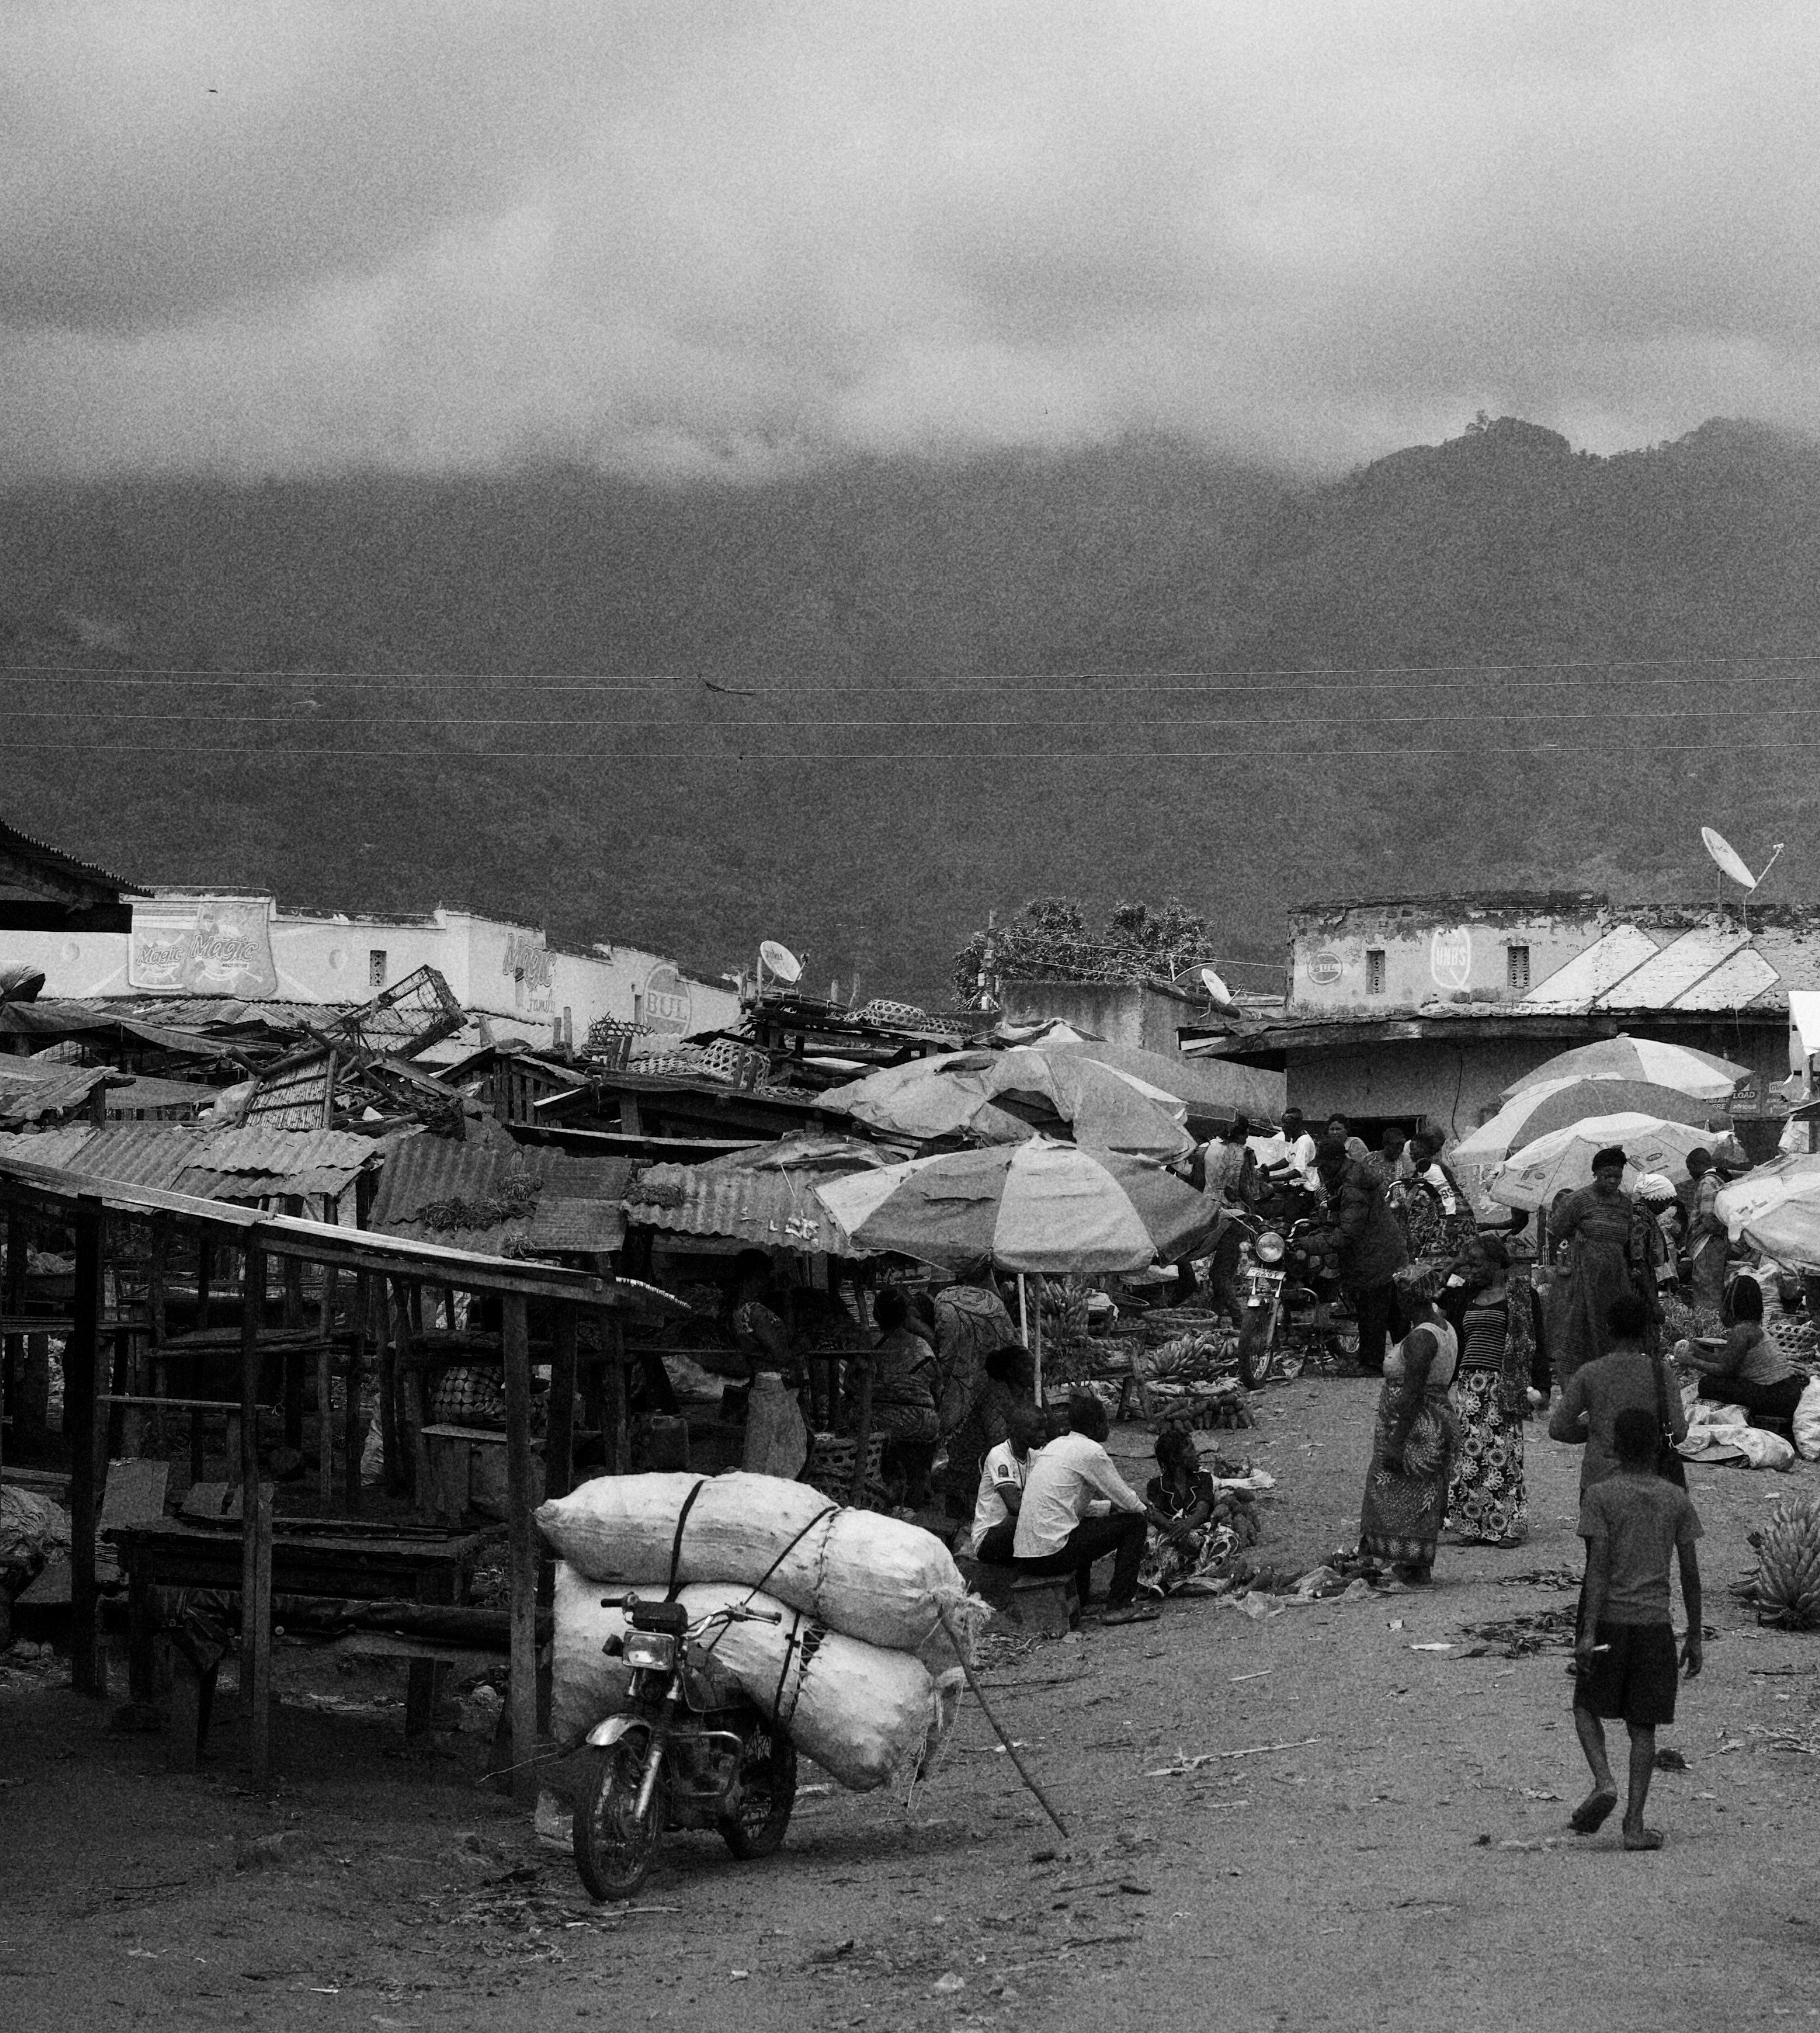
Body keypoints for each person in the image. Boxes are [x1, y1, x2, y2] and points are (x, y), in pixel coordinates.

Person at [1569, 1405, 1703, 1850]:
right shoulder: (1675, 1499)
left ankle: (1604, 1781)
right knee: (1643, 1727)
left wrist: (1587, 1633)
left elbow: (1599, 1570)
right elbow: (1689, 1573)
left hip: (1610, 1620)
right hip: (1656, 1627)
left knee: (1586, 1705)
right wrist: (1695, 1634)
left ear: (1614, 1447)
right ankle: (1634, 1824)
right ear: (1657, 1447)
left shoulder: (1601, 1496)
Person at [1012, 1390, 1156, 1624]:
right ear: (1099, 1425)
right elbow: (1130, 1503)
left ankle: (1083, 1597)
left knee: (1085, 1525)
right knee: (1134, 1524)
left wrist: (1108, 1508)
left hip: (1026, 1555)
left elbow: (1068, 1505)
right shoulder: (1090, 1451)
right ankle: (1119, 1605)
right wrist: (1152, 1514)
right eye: (1106, 1423)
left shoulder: (1055, 1447)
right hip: (1051, 1554)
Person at [1358, 1291, 1460, 1584]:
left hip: (1415, 1428)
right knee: (1420, 1492)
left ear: (1406, 1300)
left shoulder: (1421, 1339)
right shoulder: (1444, 1327)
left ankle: (1411, 1566)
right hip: (1429, 1420)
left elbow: (1413, 1392)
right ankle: (1409, 1564)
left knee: (1400, 1490)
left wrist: (1397, 1441)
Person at [1444, 1235, 1536, 1547]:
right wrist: (1455, 1263)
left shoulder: (1522, 1296)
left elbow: (1536, 1341)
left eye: (1478, 1264)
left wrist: (1543, 1386)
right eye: (1469, 1265)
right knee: (1469, 1458)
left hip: (1503, 1383)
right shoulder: (1466, 1294)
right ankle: (1472, 1525)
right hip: (1470, 1385)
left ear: (1498, 1263)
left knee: (1504, 1456)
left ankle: (1509, 1526)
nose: (1472, 1271)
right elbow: (1425, 1291)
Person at [1548, 1292, 1688, 1492]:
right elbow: (1679, 1432)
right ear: (1646, 1331)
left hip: (1598, 1480)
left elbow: (1558, 1428)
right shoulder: (1662, 1373)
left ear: (1609, 1329)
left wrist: (1596, 1430)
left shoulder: (1590, 1373)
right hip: (1650, 1482)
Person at [1545, 1147, 1659, 1388]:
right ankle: (1575, 1391)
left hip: (1614, 1283)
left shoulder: (1625, 1205)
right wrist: (1564, 1260)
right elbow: (1555, 1233)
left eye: (1617, 1176)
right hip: (1581, 1282)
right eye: (1607, 1175)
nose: (1612, 1180)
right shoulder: (1577, 1201)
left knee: (1612, 1333)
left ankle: (1607, 1386)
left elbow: (1628, 1244)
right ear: (1595, 1173)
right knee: (1576, 1334)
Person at [1314, 1133, 1409, 1374]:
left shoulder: (1354, 1186)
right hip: (1387, 1248)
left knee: (1372, 1311)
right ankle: (1407, 1360)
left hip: (1375, 1253)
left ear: (1336, 1162)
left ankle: (1371, 1364)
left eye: (1323, 1167)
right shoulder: (1353, 1178)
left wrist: (1310, 1243)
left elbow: (1347, 1234)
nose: (1321, 1173)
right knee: (1392, 1312)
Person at [1676, 1275, 1807, 1426]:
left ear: (1731, 1308)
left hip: (1777, 1396)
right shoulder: (1751, 1328)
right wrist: (1698, 1353)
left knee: (1707, 1384)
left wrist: (1692, 1361)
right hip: (1786, 1392)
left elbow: (1725, 1370)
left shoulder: (1742, 1331)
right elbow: (1728, 1359)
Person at [862, 1288, 941, 1508]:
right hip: (921, 1422)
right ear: (905, 1314)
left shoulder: (873, 1345)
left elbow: (853, 1382)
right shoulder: (923, 1345)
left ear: (878, 1317)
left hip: (881, 1423)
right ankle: (915, 1492)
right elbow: (937, 1386)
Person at [942, 1341, 1036, 1518]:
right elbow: (999, 1442)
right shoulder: (995, 1394)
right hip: (971, 1467)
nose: (1034, 1369)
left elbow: (1047, 1429)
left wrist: (1041, 1392)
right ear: (1010, 1371)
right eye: (1027, 1365)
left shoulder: (1025, 1395)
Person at [1135, 1425, 1221, 1598]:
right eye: (1190, 1449)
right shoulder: (1156, 1485)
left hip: (1198, 1531)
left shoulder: (1204, 1478)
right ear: (1176, 1459)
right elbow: (1154, 1513)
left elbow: (1203, 1509)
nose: (1197, 1454)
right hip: (1170, 1534)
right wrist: (1174, 1528)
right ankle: (1174, 1579)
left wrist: (1187, 1526)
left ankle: (1166, 1583)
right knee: (1164, 1547)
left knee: (1224, 1540)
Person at [969, 1402, 1046, 1565]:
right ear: (1017, 1431)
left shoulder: (1037, 1455)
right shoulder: (999, 1456)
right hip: (990, 1537)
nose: (1043, 1435)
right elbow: (1014, 1507)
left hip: (1016, 1530)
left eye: (1043, 1429)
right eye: (1037, 1429)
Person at [727, 1250, 792, 1378]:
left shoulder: (738, 1310)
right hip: (775, 1383)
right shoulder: (756, 1312)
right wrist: (806, 1344)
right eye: (765, 1276)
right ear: (753, 1277)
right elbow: (782, 1355)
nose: (767, 1282)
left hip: (762, 1379)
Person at [1683, 1148, 1727, 1324]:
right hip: (1713, 1242)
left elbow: (1709, 1217)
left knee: (1706, 1287)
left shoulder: (1707, 1183)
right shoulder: (1719, 1180)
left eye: (1690, 1168)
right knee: (1713, 1286)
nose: (1690, 1173)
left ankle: (1708, 1327)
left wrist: (1699, 1232)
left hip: (1707, 1242)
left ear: (1698, 1165)